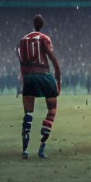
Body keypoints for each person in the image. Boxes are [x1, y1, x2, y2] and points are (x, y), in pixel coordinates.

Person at [17, 14, 62, 159]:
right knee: (52, 108)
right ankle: (42, 146)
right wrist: (58, 76)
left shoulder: (23, 40)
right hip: (43, 75)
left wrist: (24, 78)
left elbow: (21, 61)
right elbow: (51, 57)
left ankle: (25, 150)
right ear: (42, 24)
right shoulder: (44, 38)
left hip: (29, 77)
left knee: (28, 114)